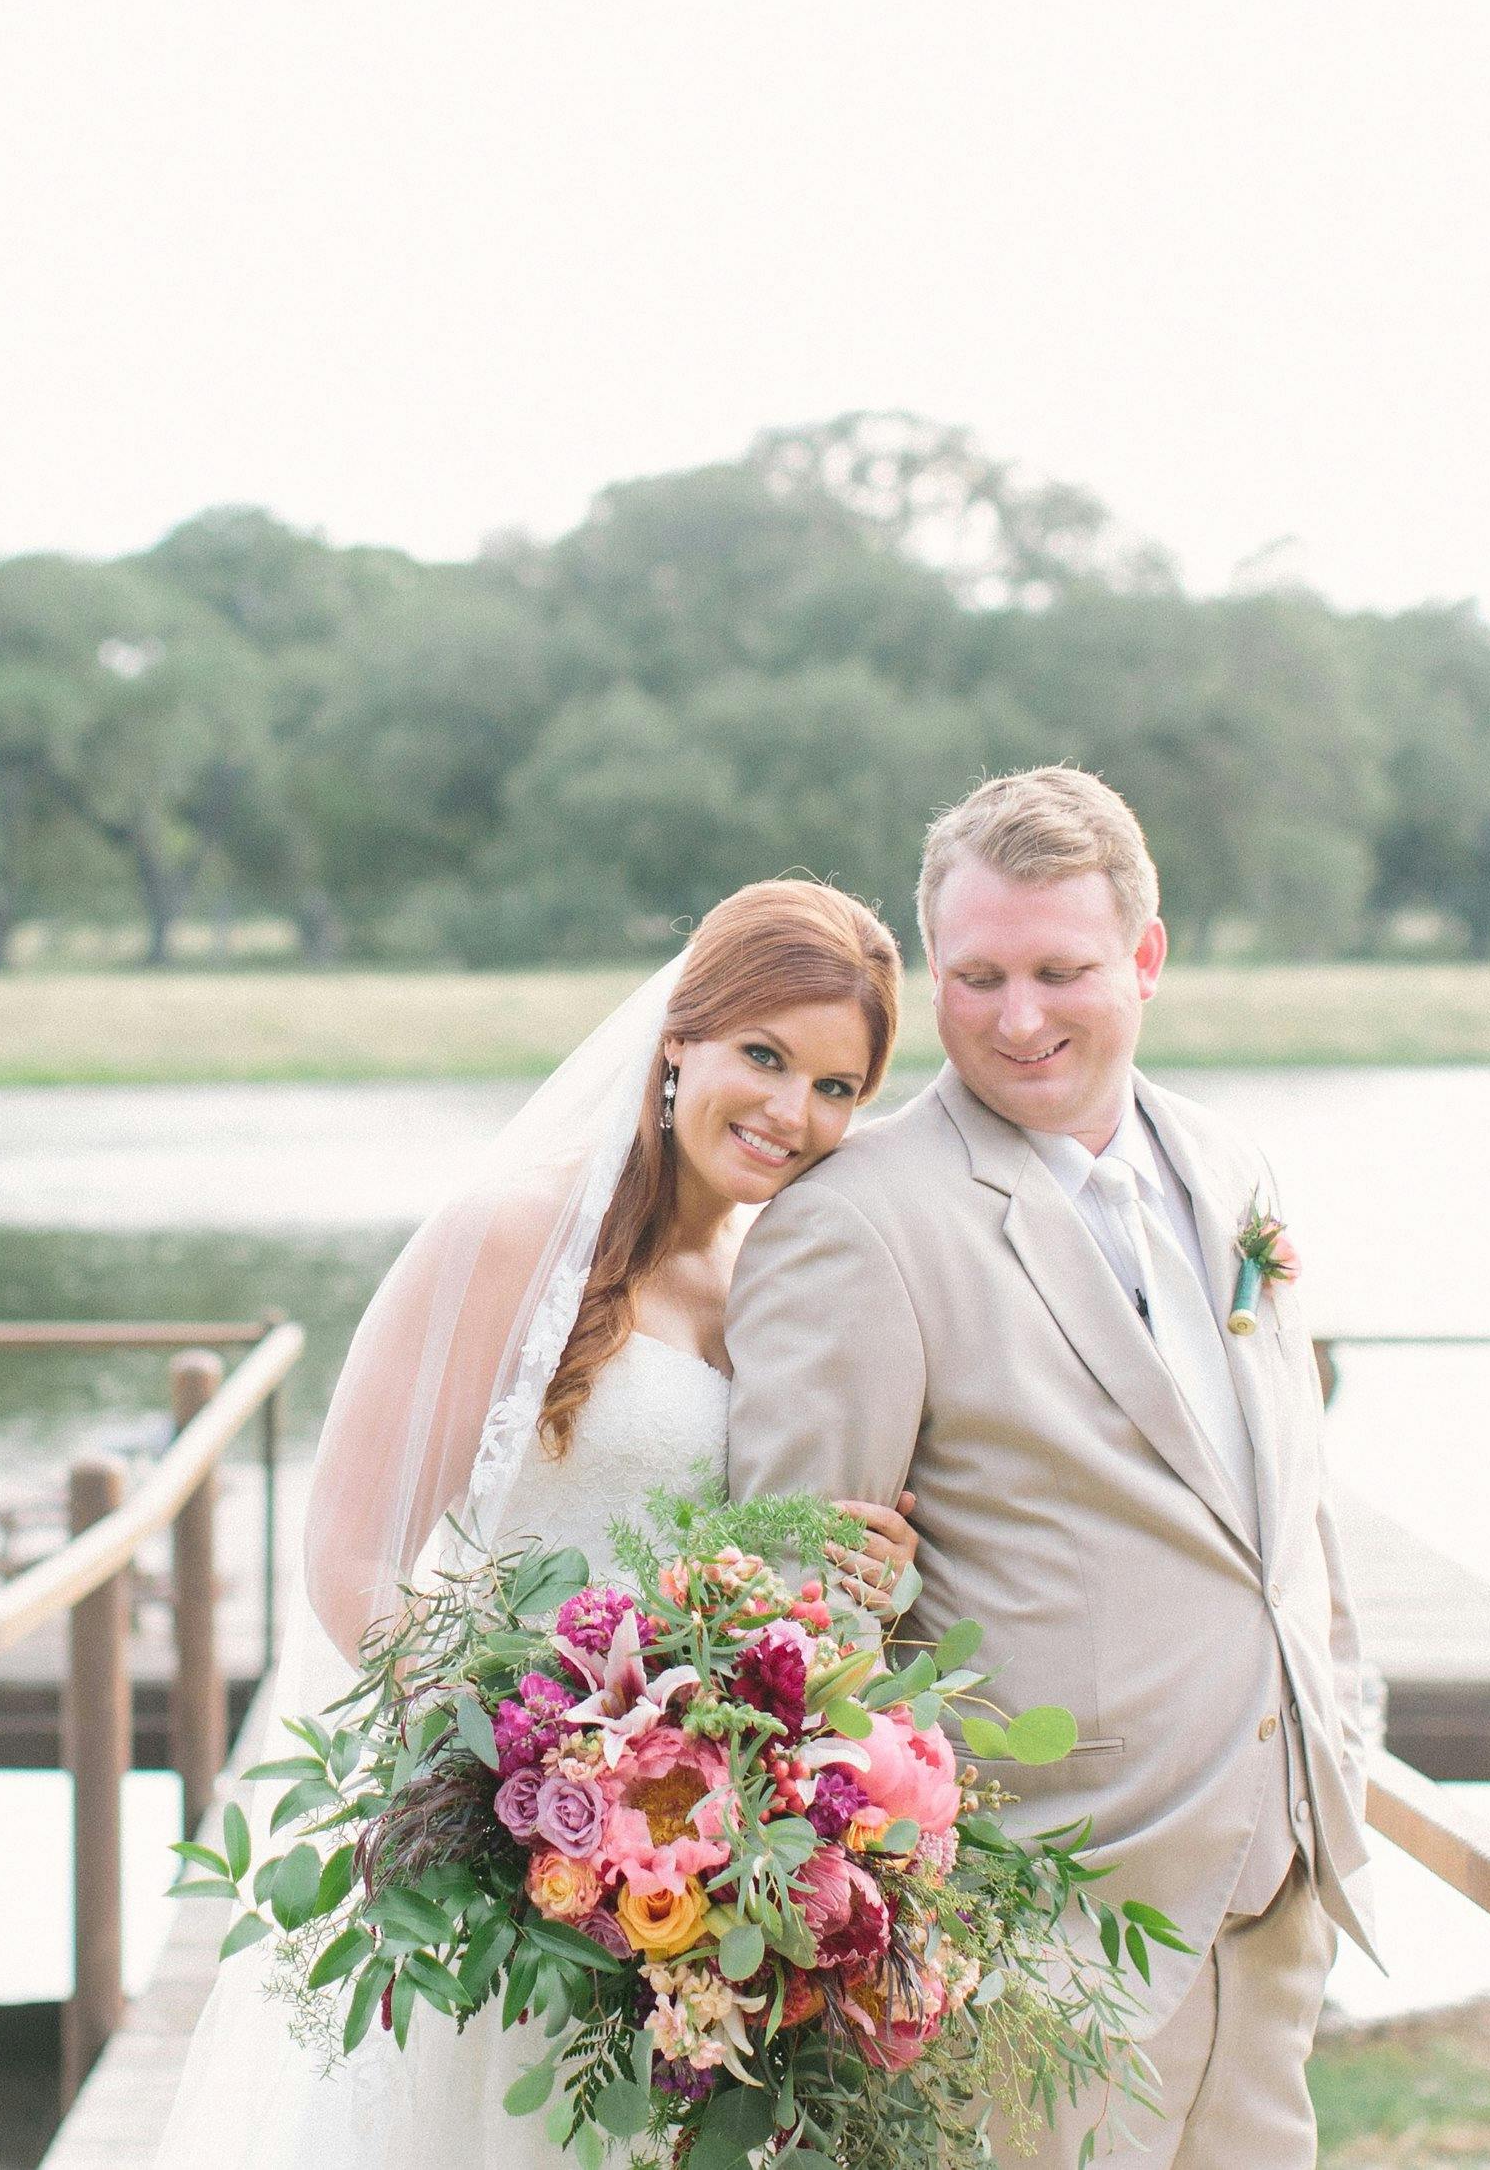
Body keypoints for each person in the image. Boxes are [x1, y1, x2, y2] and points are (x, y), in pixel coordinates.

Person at [151, 875, 921, 2169]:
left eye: (836, 1087)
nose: (793, 1111)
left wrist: (861, 1569)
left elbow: (752, 1560)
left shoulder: (767, 1284)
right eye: (765, 1056)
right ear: (680, 1040)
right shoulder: (509, 1233)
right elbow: (349, 1557)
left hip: (703, 1878)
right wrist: (532, 1774)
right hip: (523, 1863)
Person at [727, 767, 1388, 2170]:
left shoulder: (1231, 1166)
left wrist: (1343, 1751)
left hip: (1272, 1904)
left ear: (1144, 959)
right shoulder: (856, 1223)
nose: (1017, 1018)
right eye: (977, 976)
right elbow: (790, 1621)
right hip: (1029, 1937)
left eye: (1057, 969)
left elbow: (1288, 1510)